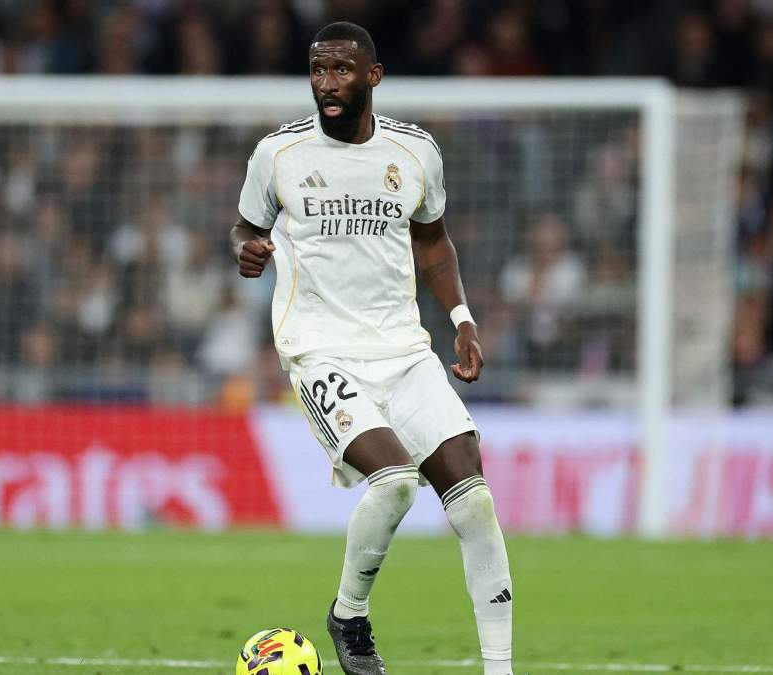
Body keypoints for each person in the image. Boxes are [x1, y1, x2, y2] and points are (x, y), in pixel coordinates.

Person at [230, 22, 514, 675]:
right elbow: (246, 225)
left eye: (341, 70)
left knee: (474, 498)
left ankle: (500, 668)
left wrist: (463, 318)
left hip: (403, 348)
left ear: (373, 77)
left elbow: (433, 241)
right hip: (319, 347)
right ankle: (349, 615)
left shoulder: (415, 152)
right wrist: (245, 250)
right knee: (393, 483)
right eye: (318, 70)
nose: (327, 83)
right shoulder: (279, 153)